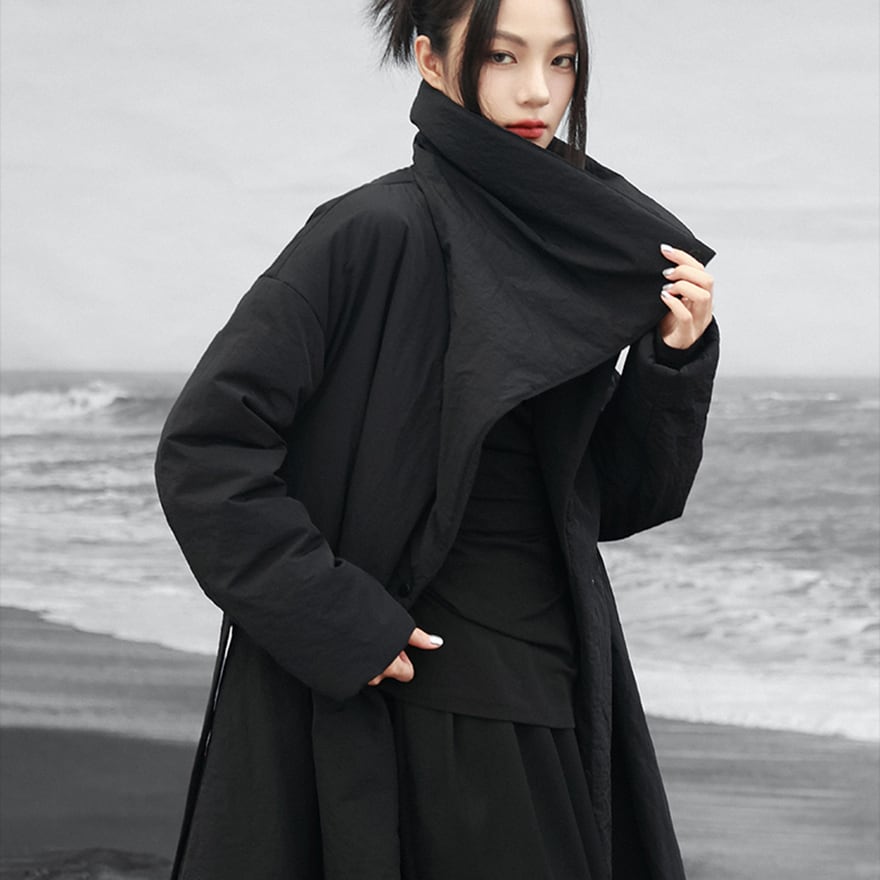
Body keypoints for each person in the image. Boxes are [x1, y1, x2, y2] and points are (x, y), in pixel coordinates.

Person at [155, 0, 719, 877]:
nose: (538, 92)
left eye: (563, 61)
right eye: (501, 56)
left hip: (550, 673)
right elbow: (205, 450)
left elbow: (614, 500)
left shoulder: (572, 256)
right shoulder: (368, 231)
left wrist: (671, 363)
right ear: (429, 59)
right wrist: (338, 618)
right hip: (400, 673)